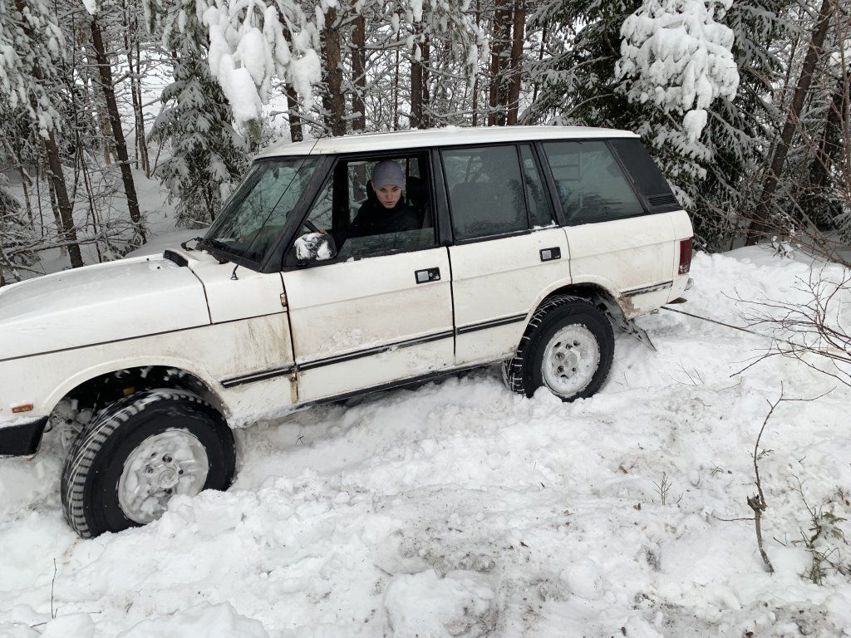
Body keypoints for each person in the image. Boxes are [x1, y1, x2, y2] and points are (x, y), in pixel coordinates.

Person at [347, 160, 420, 238]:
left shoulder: (409, 221)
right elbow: (350, 236)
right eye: (383, 190)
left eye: (394, 190)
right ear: (373, 186)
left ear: (402, 185)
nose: (389, 197)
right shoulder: (367, 210)